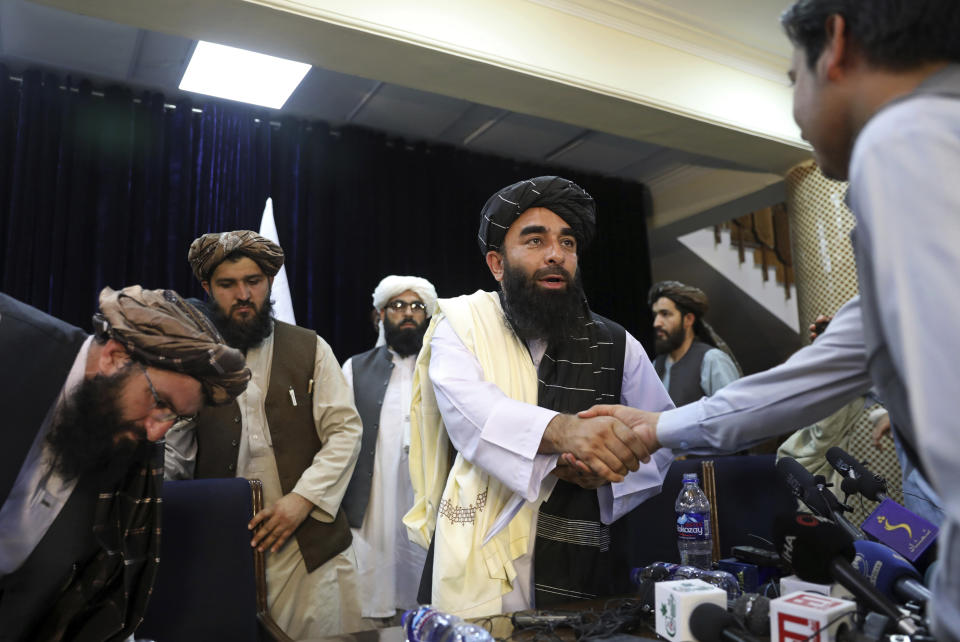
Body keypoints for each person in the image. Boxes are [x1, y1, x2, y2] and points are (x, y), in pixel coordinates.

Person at [582, 1, 960, 636]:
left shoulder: (907, 137)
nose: (796, 112)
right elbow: (809, 378)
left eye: (792, 80)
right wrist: (656, 428)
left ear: (836, 45)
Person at [403, 176, 674, 616]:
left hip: (583, 560)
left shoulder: (617, 343)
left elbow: (659, 431)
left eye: (567, 242)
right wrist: (566, 432)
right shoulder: (462, 325)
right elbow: (471, 415)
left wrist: (610, 471)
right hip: (482, 553)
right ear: (497, 263)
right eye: (535, 240)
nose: (556, 254)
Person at [0, 286, 249, 641]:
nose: (156, 431)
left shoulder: (134, 449)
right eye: (159, 401)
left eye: (175, 417)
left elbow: (102, 602)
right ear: (115, 357)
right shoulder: (9, 339)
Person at [165, 230, 366, 638]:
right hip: (225, 547)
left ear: (269, 282)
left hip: (309, 547)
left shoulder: (310, 348)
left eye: (253, 282)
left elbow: (345, 432)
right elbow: (176, 458)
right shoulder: (192, 361)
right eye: (228, 284)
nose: (243, 294)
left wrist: (301, 500)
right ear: (207, 288)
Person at [341, 275, 438, 623]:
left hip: (426, 492)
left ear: (428, 316)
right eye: (398, 306)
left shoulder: (444, 368)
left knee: (423, 579)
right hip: (374, 496)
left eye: (416, 306)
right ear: (379, 315)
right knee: (374, 587)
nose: (408, 313)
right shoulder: (354, 368)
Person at [648, 280, 740, 405]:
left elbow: (733, 412)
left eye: (665, 314)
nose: (657, 323)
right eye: (655, 315)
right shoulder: (656, 364)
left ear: (688, 319)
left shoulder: (711, 359)